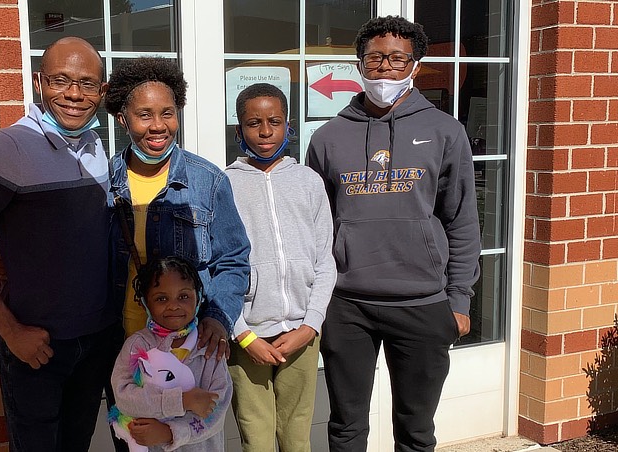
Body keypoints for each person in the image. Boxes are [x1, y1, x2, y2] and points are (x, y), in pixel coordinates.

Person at [0, 37, 124, 451]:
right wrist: (11, 330)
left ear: (103, 92)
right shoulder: (9, 147)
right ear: (39, 83)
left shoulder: (93, 145)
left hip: (96, 342)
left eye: (88, 84)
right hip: (37, 349)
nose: (74, 94)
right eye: (61, 80)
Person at [305, 16, 481, 452]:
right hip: (347, 306)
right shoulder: (327, 138)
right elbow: (315, 226)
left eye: (398, 59)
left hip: (423, 304)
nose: (385, 68)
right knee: (346, 427)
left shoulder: (444, 131)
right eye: (375, 58)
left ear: (415, 66)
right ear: (359, 64)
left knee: (416, 430)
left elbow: (461, 219)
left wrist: (458, 298)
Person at [104, 57, 251, 354]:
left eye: (167, 113)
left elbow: (233, 260)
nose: (158, 126)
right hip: (120, 346)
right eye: (144, 115)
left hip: (189, 344)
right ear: (123, 118)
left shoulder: (209, 182)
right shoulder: (104, 181)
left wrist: (218, 317)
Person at [224, 83, 336, 452]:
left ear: (288, 125)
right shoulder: (224, 184)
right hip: (249, 336)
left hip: (302, 334)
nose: (266, 131)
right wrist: (241, 334)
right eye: (253, 123)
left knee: (296, 434)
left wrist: (310, 325)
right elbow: (213, 266)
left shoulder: (308, 181)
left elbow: (325, 260)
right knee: (256, 437)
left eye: (275, 121)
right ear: (239, 130)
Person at [110, 256, 232, 451]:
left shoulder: (209, 347)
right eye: (161, 298)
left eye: (183, 296)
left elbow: (216, 413)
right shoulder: (137, 346)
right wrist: (181, 401)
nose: (173, 305)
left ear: (199, 297)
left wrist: (170, 432)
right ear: (144, 303)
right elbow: (124, 398)